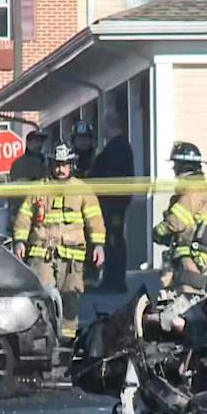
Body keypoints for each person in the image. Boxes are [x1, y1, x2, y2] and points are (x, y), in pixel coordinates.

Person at [12, 142, 106, 346]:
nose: (60, 169)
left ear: (72, 165)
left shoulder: (83, 190)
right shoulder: (39, 188)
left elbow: (95, 221)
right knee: (41, 298)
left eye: (65, 165)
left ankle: (67, 344)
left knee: (70, 300)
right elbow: (24, 217)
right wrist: (19, 241)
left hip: (73, 258)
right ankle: (41, 341)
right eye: (57, 164)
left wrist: (98, 246)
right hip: (41, 255)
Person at [152, 141, 207, 332]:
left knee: (189, 301)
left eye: (176, 165)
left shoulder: (192, 191)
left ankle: (193, 342)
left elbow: (176, 221)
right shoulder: (193, 189)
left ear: (184, 166)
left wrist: (158, 231)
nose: (174, 169)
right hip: (186, 256)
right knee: (175, 299)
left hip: (191, 258)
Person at [90, 112, 135, 293]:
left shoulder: (118, 148)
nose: (102, 130)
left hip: (114, 203)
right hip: (112, 202)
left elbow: (109, 174)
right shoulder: (116, 147)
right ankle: (110, 280)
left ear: (110, 125)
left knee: (114, 240)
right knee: (111, 240)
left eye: (104, 125)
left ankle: (115, 282)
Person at [8, 129, 48, 232]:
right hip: (24, 211)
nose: (40, 144)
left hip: (44, 210)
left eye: (41, 141)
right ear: (28, 143)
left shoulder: (46, 161)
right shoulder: (19, 164)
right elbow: (16, 193)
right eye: (36, 141)